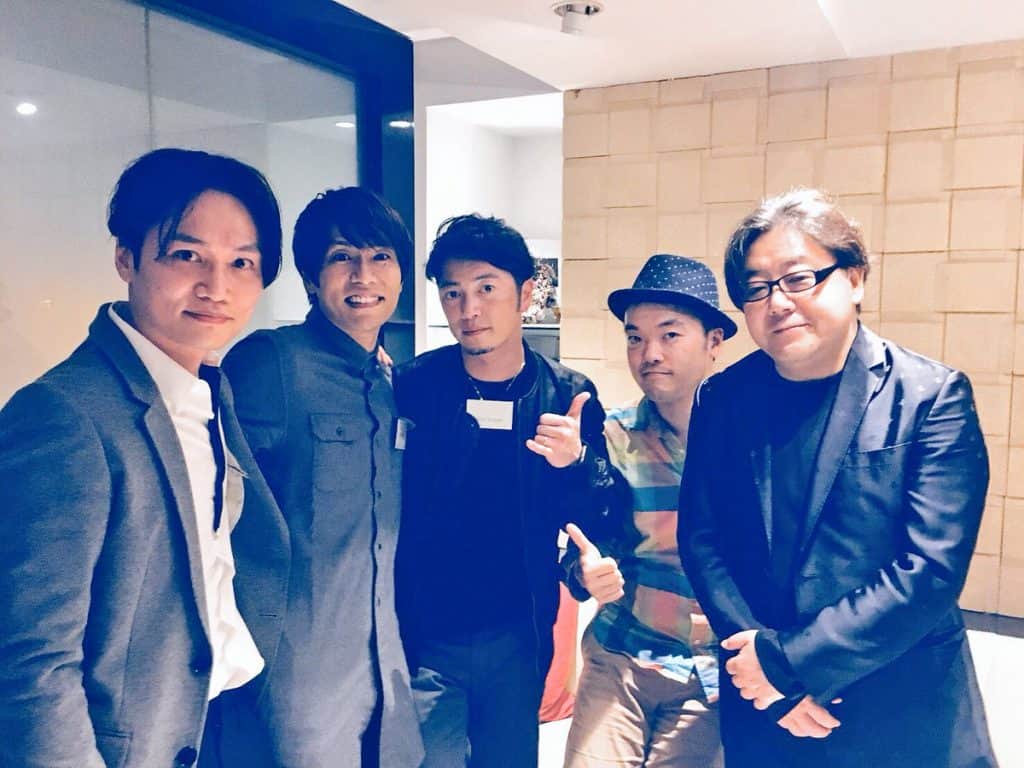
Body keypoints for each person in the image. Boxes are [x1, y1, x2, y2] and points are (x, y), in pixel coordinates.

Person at [678, 188, 997, 767]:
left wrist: (790, 663)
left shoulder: (930, 397)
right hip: (765, 703)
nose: (777, 302)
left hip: (897, 701)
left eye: (798, 278)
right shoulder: (721, 399)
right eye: (756, 288)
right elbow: (703, 540)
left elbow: (929, 569)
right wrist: (760, 666)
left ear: (854, 279)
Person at [0, 148, 290, 768]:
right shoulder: (65, 415)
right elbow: (31, 658)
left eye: (241, 263)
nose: (216, 287)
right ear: (126, 258)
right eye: (187, 255)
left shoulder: (207, 388)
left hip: (217, 718)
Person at [395, 213, 625, 768]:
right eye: (453, 292)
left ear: (525, 294)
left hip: (518, 633)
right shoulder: (414, 386)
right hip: (426, 634)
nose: (468, 309)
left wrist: (576, 462)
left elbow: (598, 513)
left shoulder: (567, 395)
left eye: (486, 289)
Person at [221, 187, 423, 767]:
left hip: (386, 666)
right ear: (311, 279)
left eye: (380, 257)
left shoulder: (392, 382)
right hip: (299, 676)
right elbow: (217, 513)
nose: (363, 275)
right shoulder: (270, 363)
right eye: (342, 257)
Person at [563, 255, 733, 768]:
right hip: (621, 656)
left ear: (714, 342)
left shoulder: (750, 446)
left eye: (670, 335)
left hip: (712, 676)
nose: (649, 354)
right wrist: (585, 572)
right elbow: (584, 542)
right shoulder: (611, 438)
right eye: (635, 337)